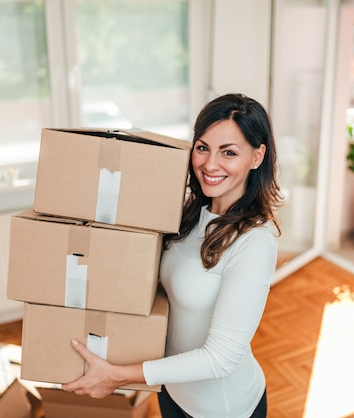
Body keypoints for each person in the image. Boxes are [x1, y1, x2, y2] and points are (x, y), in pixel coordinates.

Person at [63, 93, 282, 418]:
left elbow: (220, 359)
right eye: (203, 147)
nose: (209, 164)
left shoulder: (254, 243)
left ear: (257, 156)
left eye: (229, 152)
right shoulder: (190, 212)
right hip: (172, 392)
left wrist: (118, 374)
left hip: (222, 408)